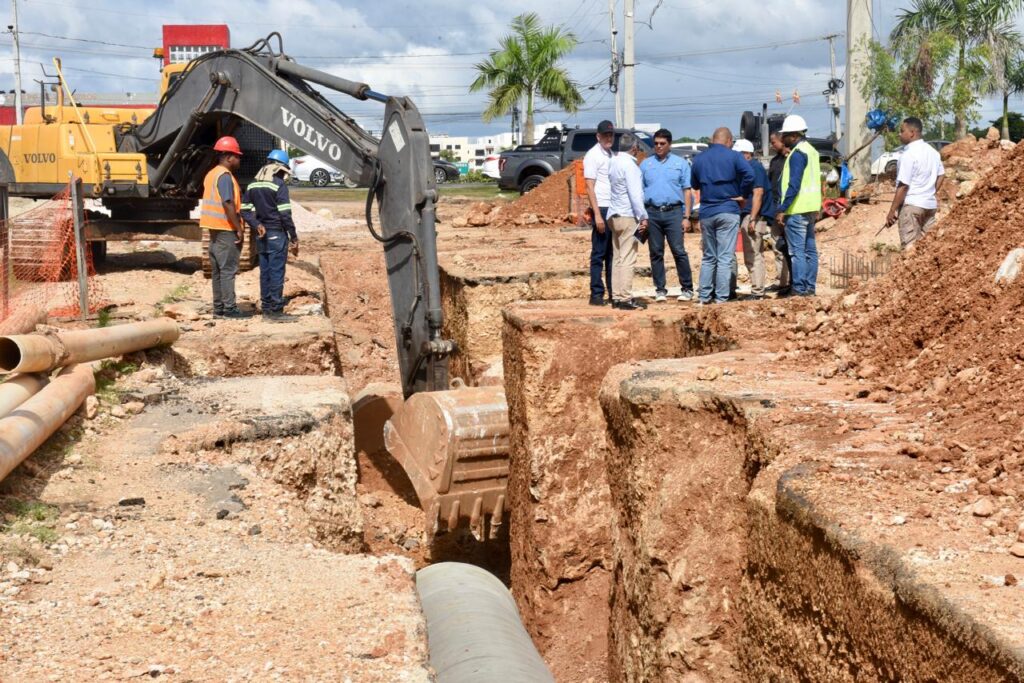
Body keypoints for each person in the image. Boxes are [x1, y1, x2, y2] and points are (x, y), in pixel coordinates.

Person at [690, 127, 754, 304]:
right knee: (725, 257)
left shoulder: (699, 159)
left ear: (712, 139)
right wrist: (743, 194)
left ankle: (704, 296)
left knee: (709, 256)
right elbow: (750, 174)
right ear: (729, 141)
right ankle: (721, 298)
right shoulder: (734, 156)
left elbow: (694, 184)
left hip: (707, 212)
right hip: (728, 210)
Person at [241, 149, 300, 322]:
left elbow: (244, 210)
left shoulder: (253, 184)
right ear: (280, 168)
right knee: (276, 272)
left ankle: (266, 308)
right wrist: (294, 237)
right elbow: (285, 215)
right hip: (276, 233)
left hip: (261, 235)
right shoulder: (278, 184)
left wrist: (256, 224)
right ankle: (275, 311)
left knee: (265, 272)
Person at [639, 128, 694, 302]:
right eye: (656, 144)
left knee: (679, 251)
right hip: (652, 213)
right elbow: (640, 192)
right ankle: (660, 289)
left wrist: (686, 217)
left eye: (662, 144)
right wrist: (642, 217)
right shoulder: (646, 165)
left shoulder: (680, 164)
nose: (659, 147)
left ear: (669, 144)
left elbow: (687, 191)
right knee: (655, 252)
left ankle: (687, 288)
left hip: (674, 213)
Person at [774, 115, 822, 297]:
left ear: (794, 135)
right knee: (810, 251)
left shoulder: (797, 154)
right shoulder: (812, 151)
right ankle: (809, 288)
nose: (782, 138)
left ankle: (800, 289)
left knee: (797, 253)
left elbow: (794, 184)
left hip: (797, 209)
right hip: (810, 209)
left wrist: (783, 208)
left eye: (785, 135)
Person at [200, 136, 247, 318]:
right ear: (228, 157)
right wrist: (238, 228)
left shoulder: (211, 174)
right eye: (237, 156)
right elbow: (228, 203)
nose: (239, 160)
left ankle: (218, 309)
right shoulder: (225, 177)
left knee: (218, 272)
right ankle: (229, 309)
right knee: (228, 270)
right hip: (226, 229)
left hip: (213, 229)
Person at [884, 116, 945, 249]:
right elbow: (941, 175)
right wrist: (931, 192)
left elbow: (904, 186)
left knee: (910, 250)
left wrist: (892, 211)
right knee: (931, 249)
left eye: (902, 131)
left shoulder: (908, 155)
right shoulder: (933, 152)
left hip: (912, 207)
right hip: (930, 206)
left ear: (912, 133)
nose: (899, 134)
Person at [607, 132, 648, 310]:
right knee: (627, 258)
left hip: (613, 214)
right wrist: (643, 216)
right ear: (633, 148)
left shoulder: (613, 162)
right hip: (627, 215)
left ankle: (616, 296)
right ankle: (625, 297)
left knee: (617, 257)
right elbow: (636, 195)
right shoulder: (630, 166)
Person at [583, 120, 616, 306]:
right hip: (601, 208)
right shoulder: (593, 155)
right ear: (598, 136)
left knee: (612, 254)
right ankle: (596, 294)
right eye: (605, 135)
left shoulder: (611, 154)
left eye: (611, 135)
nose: (608, 138)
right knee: (599, 254)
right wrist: (597, 214)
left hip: (613, 208)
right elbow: (589, 186)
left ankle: (612, 292)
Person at [733, 139, 771, 299]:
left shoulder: (754, 168)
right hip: (750, 214)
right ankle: (757, 291)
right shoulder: (751, 167)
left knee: (754, 253)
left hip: (754, 216)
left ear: (746, 154)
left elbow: (758, 193)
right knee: (752, 253)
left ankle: (757, 292)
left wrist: (753, 219)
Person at [767, 132, 792, 294]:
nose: (772, 145)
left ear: (782, 141)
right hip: (776, 209)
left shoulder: (792, 158)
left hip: (789, 209)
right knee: (778, 247)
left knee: (792, 248)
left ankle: (793, 281)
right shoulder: (775, 161)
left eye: (774, 142)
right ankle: (782, 282)